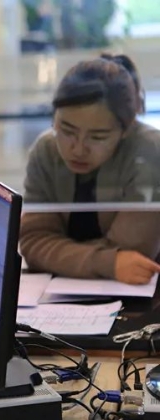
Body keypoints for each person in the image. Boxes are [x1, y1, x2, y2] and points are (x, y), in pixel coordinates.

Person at [20, 54, 160, 285]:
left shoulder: (150, 152)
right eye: (66, 130)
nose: (78, 149)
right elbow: (33, 243)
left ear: (126, 130)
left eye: (97, 137)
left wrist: (59, 254)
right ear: (54, 118)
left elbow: (134, 254)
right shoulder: (45, 150)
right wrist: (108, 262)